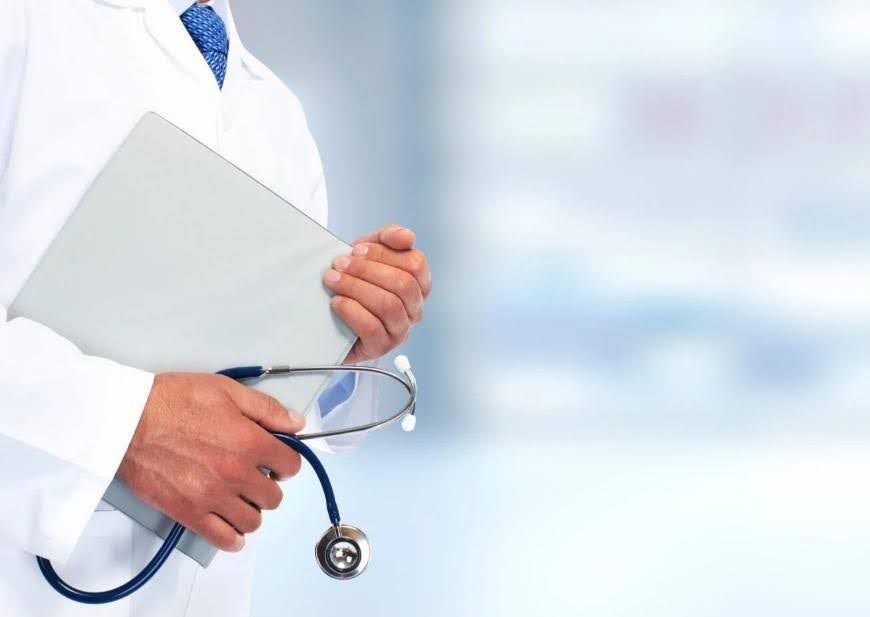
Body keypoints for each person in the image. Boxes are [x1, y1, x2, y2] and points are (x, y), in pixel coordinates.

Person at [0, 0, 432, 615]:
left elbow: (245, 374)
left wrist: (339, 335)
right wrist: (127, 428)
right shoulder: (22, 27)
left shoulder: (275, 110)